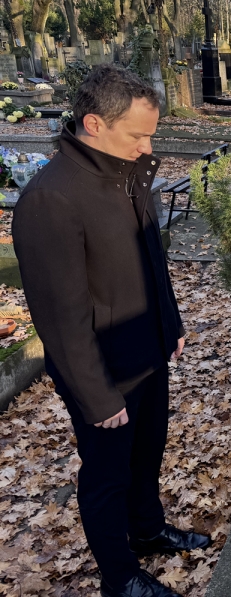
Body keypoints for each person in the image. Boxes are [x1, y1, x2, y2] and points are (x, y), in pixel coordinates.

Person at [13, 65, 209, 597]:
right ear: (94, 124)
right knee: (107, 476)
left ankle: (147, 529)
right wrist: (97, 396)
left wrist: (170, 322)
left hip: (147, 350)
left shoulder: (127, 173)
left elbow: (150, 257)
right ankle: (120, 578)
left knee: (148, 454)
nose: (148, 147)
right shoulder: (51, 199)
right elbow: (61, 317)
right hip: (103, 371)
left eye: (152, 135)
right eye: (138, 134)